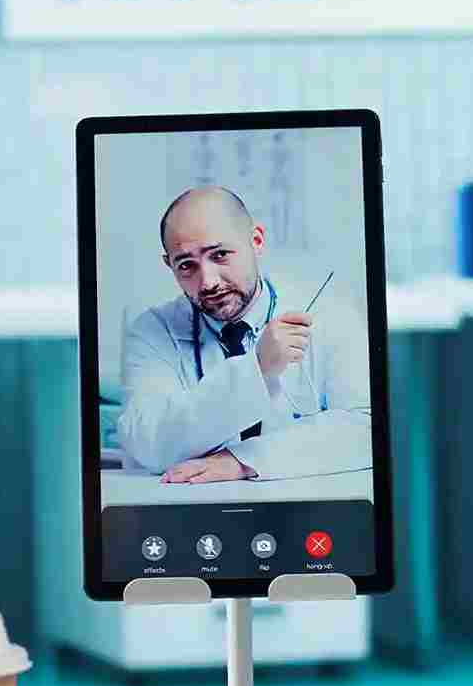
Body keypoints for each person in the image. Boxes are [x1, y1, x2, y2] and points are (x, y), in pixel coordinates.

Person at [116, 187, 371, 484]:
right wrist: (257, 368)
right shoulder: (152, 330)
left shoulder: (328, 311)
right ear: (169, 265)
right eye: (186, 266)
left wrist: (242, 461)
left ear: (256, 241)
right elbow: (147, 444)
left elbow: (367, 427)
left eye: (220, 255)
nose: (208, 282)